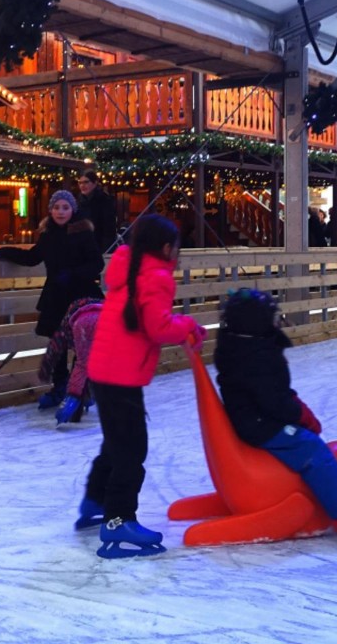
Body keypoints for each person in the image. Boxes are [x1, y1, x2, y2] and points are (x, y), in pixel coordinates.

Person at [79, 213, 206, 558]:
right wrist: (189, 324)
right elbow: (158, 327)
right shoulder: (156, 277)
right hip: (121, 374)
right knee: (132, 450)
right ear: (166, 248)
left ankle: (94, 500)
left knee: (117, 442)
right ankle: (119, 521)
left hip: (104, 370)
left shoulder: (128, 268)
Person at [213, 288, 337, 536]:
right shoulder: (255, 356)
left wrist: (295, 406)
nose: (276, 322)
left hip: (254, 418)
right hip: (260, 424)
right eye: (271, 317)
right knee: (311, 448)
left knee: (307, 441)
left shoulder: (241, 346)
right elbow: (273, 400)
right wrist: (300, 416)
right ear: (255, 322)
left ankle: (329, 498)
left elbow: (274, 392)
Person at [0, 190, 105, 409]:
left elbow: (96, 264)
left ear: (73, 210)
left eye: (65, 207)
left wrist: (73, 273)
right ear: (50, 210)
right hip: (56, 296)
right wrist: (6, 251)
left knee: (81, 344)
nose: (60, 212)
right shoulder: (48, 235)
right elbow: (32, 258)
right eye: (56, 207)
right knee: (57, 344)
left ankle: (81, 388)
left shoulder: (83, 233)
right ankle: (59, 386)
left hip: (80, 296)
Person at [39, 297, 103, 426]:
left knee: (82, 364)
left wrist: (45, 368)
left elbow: (55, 344)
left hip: (82, 323)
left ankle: (70, 402)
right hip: (108, 319)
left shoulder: (67, 322)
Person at [76, 169, 118, 254]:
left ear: (95, 183)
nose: (82, 185)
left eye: (86, 182)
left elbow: (109, 228)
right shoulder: (79, 201)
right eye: (80, 183)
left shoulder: (104, 200)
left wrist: (106, 250)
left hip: (100, 246)